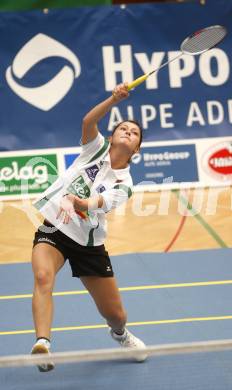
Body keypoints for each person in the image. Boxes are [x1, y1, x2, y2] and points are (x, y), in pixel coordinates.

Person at [31, 82, 147, 372]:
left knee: (115, 314)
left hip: (88, 245)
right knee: (43, 277)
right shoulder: (95, 149)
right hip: (55, 228)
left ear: (137, 148)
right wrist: (113, 99)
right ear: (112, 135)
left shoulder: (125, 184)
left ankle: (120, 334)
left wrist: (82, 203)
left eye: (134, 133)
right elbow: (88, 121)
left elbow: (99, 202)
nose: (128, 132)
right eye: (123, 128)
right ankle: (43, 344)